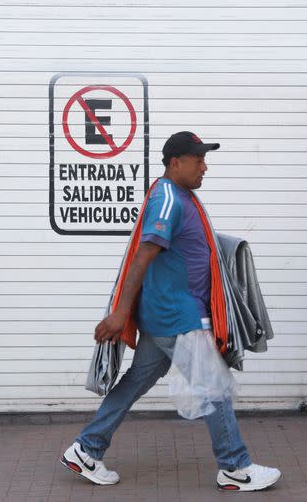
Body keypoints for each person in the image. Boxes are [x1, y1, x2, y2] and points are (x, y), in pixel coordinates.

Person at [60, 131, 281, 492]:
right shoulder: (167, 197)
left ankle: (86, 449)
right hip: (176, 315)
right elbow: (144, 253)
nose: (204, 167)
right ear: (175, 163)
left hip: (170, 312)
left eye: (205, 160)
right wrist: (120, 312)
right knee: (214, 387)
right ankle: (235, 467)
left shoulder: (181, 196)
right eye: (198, 160)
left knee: (136, 382)